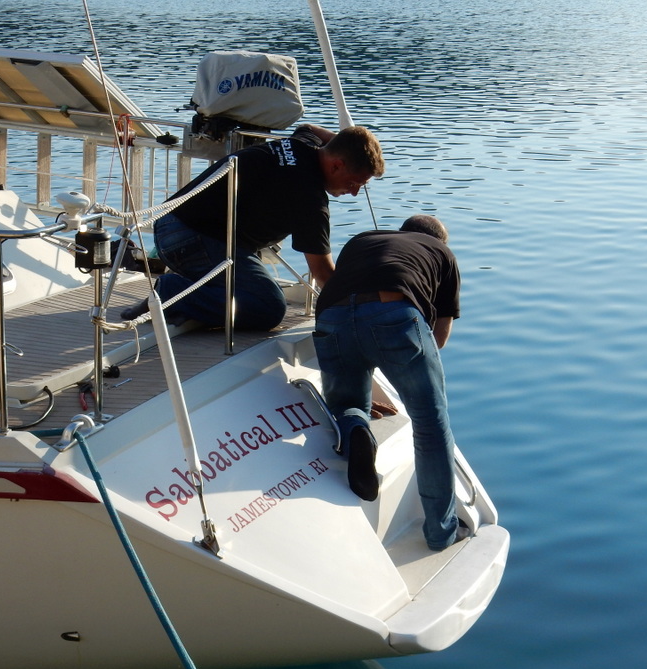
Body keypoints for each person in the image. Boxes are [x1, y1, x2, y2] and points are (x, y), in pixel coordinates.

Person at [122, 124, 385, 330]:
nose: (353, 193)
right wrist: (364, 312)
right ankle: (170, 292)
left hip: (174, 223)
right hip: (191, 238)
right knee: (268, 307)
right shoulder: (308, 197)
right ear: (336, 164)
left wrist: (351, 143)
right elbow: (324, 274)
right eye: (354, 183)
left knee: (249, 284)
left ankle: (197, 288)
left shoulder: (304, 143)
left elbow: (311, 127)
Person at [312, 215, 470, 551]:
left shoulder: (363, 239)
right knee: (430, 424)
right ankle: (441, 532)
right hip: (394, 314)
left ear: (402, 232)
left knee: (345, 405)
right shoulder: (443, 254)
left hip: (330, 316)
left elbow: (352, 304)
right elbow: (437, 338)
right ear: (441, 240)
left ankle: (357, 426)